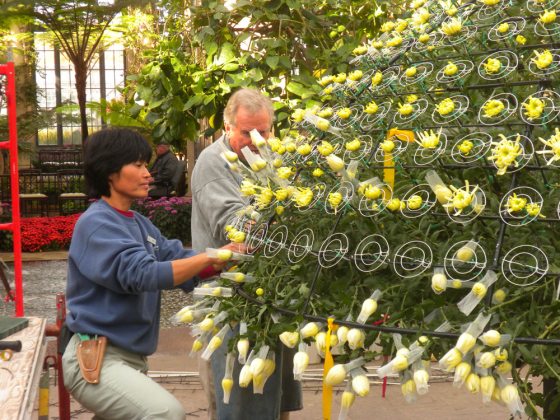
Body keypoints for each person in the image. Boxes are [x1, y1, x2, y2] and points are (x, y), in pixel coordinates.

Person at [62, 127, 242, 419]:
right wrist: (214, 254)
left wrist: (232, 256)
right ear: (110, 172)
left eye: (146, 164)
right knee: (165, 413)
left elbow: (181, 259)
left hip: (130, 361)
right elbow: (143, 274)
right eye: (138, 165)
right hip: (97, 360)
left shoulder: (141, 225)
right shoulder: (96, 224)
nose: (148, 173)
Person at [191, 88, 303, 419]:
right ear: (227, 129)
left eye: (264, 131)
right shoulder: (214, 163)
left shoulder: (270, 157)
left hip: (270, 299)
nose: (256, 140)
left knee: (274, 403)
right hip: (230, 303)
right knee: (237, 406)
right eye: (246, 132)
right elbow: (238, 228)